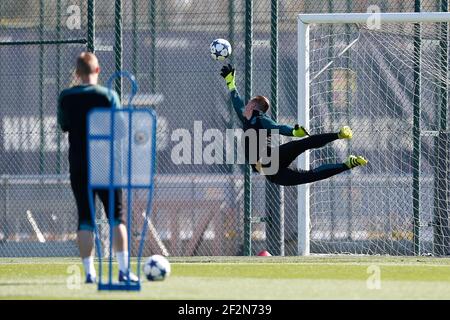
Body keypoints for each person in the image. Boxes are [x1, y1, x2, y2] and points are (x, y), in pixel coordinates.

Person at [57, 52, 137, 284]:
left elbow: (64, 125)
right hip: (106, 165)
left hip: (79, 165)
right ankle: (123, 271)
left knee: (85, 219)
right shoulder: (108, 96)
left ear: (77, 73)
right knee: (116, 218)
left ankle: (89, 274)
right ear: (97, 70)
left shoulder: (66, 96)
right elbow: (121, 130)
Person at [220, 64, 368, 186]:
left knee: (300, 145)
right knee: (308, 177)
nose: (245, 105)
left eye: (248, 103)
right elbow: (237, 103)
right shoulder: (247, 117)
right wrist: (231, 84)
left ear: (252, 106)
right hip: (273, 174)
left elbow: (278, 127)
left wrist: (293, 132)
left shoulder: (260, 120)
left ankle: (338, 135)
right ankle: (348, 164)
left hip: (272, 158)